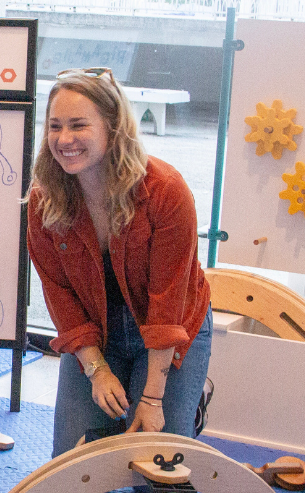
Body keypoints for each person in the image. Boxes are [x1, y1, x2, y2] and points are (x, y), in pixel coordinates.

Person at [25, 67, 212, 463]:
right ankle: (122, 395)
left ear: (113, 128)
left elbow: (168, 303)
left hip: (169, 328)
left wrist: (151, 398)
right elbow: (58, 293)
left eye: (78, 125)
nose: (64, 139)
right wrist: (97, 370)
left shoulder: (166, 190)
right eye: (54, 126)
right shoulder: (44, 200)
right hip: (98, 331)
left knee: (156, 476)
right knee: (73, 467)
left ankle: (184, 408)